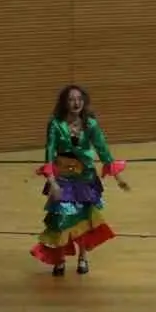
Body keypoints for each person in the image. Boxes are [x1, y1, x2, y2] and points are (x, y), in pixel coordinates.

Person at [34, 85, 130, 276]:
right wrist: (52, 182)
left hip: (85, 178)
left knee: (85, 220)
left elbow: (103, 150)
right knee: (61, 219)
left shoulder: (90, 124)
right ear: (64, 102)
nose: (76, 103)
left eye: (79, 99)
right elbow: (49, 153)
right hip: (62, 178)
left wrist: (118, 178)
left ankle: (83, 258)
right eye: (71, 99)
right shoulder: (55, 124)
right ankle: (59, 260)